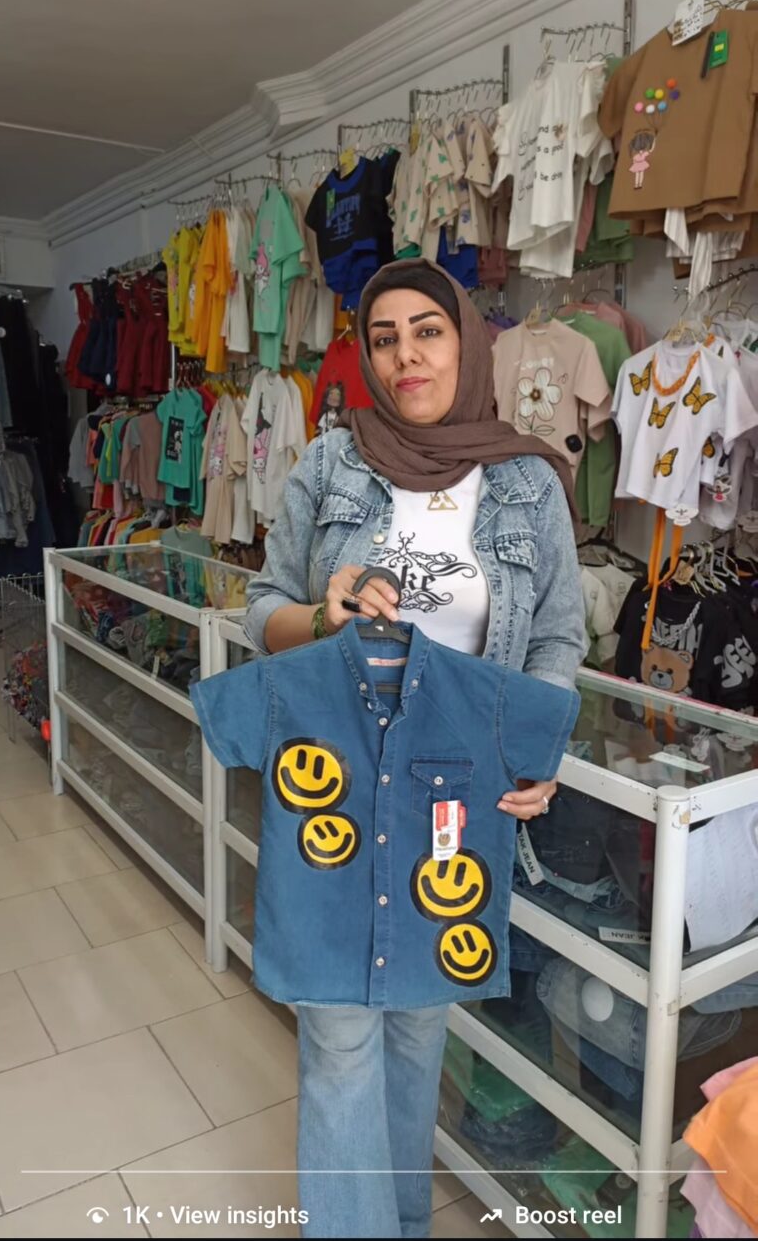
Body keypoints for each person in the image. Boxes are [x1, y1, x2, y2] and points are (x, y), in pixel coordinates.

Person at [243, 258, 585, 1239]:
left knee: (418, 1028)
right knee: (341, 1039)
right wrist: (322, 613)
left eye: (427, 331)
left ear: (465, 340)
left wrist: (537, 743)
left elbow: (558, 636)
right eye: (385, 337)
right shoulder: (330, 464)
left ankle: (401, 1220)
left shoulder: (526, 480)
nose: (406, 356)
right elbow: (260, 609)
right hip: (332, 791)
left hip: (452, 801)